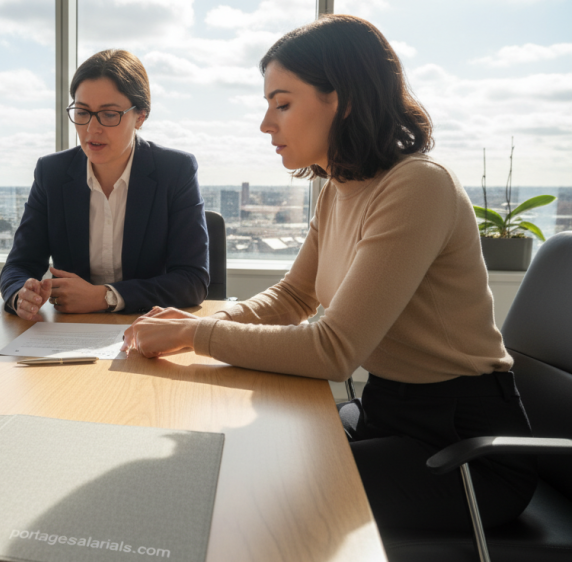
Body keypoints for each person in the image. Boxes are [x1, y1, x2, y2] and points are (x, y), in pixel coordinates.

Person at [121, 15, 536, 532]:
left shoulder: (417, 186)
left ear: (342, 99)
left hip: (465, 450)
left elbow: (334, 349)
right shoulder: (338, 189)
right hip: (386, 415)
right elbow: (294, 296)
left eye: (283, 103)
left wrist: (197, 333)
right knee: (244, 445)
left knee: (260, 489)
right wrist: (197, 325)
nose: (266, 123)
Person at [0, 49, 209, 320]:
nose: (91, 129)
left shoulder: (175, 171)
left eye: (109, 115)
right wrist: (21, 295)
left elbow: (193, 280)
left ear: (140, 116)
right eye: (83, 112)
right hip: (69, 330)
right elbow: (19, 265)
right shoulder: (52, 173)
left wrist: (105, 297)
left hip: (148, 326)